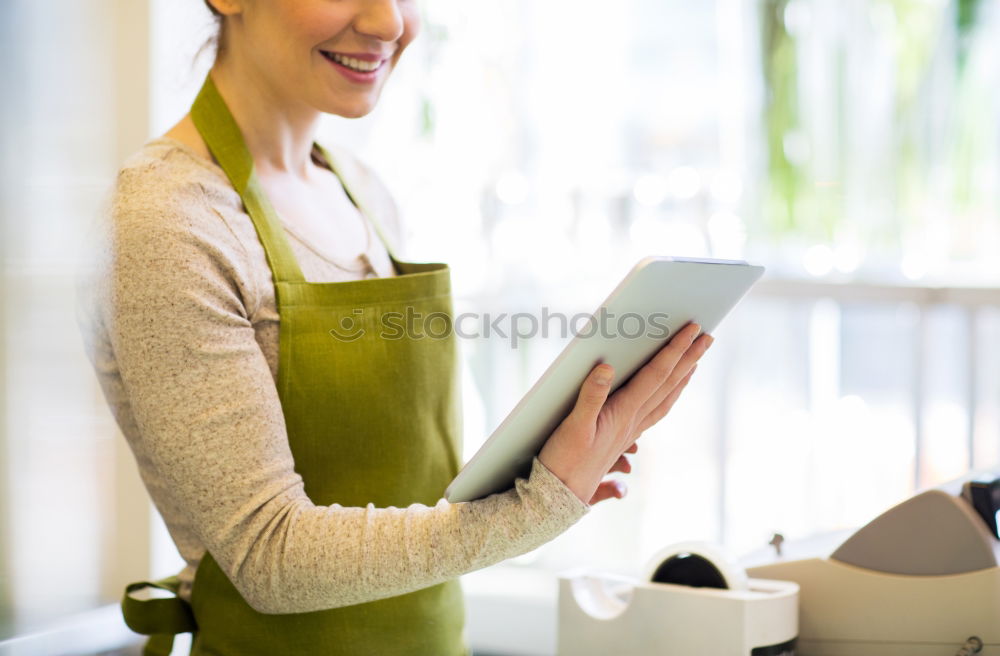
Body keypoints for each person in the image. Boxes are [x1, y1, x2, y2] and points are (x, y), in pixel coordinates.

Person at [78, 1, 713, 654]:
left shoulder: (362, 191)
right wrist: (538, 507)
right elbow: (268, 556)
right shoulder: (168, 222)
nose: (389, 23)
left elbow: (400, 492)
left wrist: (550, 456)